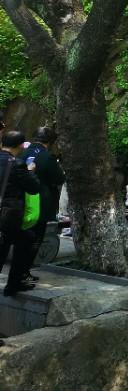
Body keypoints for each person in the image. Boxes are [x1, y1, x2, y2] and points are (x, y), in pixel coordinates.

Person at [0, 130, 41, 297]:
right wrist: (30, 171)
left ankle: (14, 284)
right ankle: (13, 285)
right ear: (21, 146)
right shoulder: (17, 164)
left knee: (24, 239)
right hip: (7, 216)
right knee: (20, 241)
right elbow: (34, 188)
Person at [23, 127, 65, 280]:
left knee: (20, 238)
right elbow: (59, 178)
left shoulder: (22, 152)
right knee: (35, 239)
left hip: (19, 201)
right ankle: (24, 272)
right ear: (50, 142)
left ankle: (19, 273)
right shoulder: (47, 157)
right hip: (39, 203)